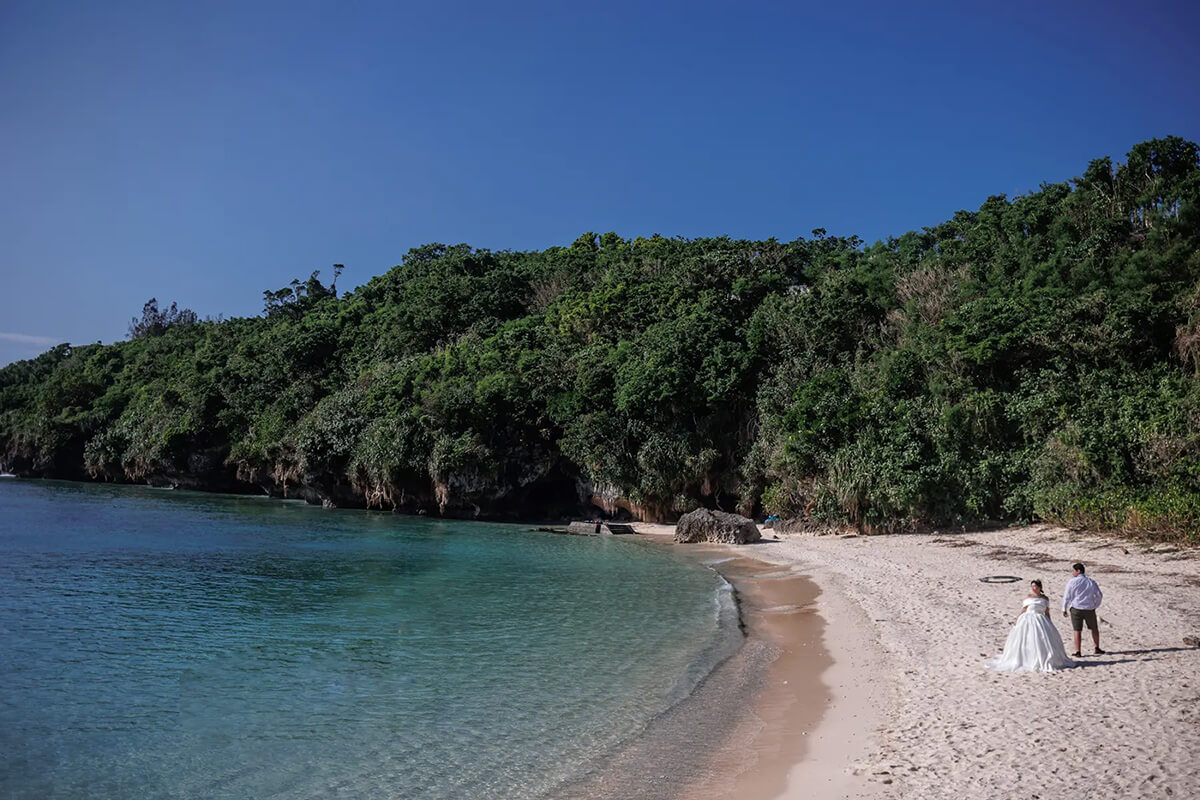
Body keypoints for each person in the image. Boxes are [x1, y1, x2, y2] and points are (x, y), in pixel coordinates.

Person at [984, 579, 1075, 672]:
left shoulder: (1045, 598)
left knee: (1042, 638)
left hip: (1040, 618)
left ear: (1040, 587)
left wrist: (1049, 622)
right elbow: (1024, 609)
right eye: (1032, 586)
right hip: (1027, 618)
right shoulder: (1029, 597)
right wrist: (1017, 619)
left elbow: (1047, 611)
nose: (1033, 588)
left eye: (1035, 586)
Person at [1062, 562, 1104, 657]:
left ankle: (1078, 651)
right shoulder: (1091, 582)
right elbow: (1099, 595)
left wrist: (1064, 608)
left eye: (1074, 571)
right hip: (1089, 608)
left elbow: (1067, 595)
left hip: (1076, 608)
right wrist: (1095, 605)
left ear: (1078, 571)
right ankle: (1097, 647)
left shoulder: (1072, 582)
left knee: (1077, 630)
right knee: (1094, 628)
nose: (1072, 573)